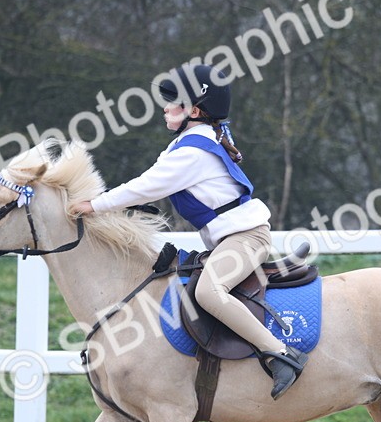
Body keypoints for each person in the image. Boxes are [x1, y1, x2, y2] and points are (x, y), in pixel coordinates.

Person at [74, 64, 307, 399]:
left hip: (246, 238)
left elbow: (148, 185)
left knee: (209, 294)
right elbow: (154, 180)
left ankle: (282, 355)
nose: (165, 106)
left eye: (173, 102)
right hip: (230, 238)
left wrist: (94, 205)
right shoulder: (187, 143)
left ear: (194, 111)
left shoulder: (195, 149)